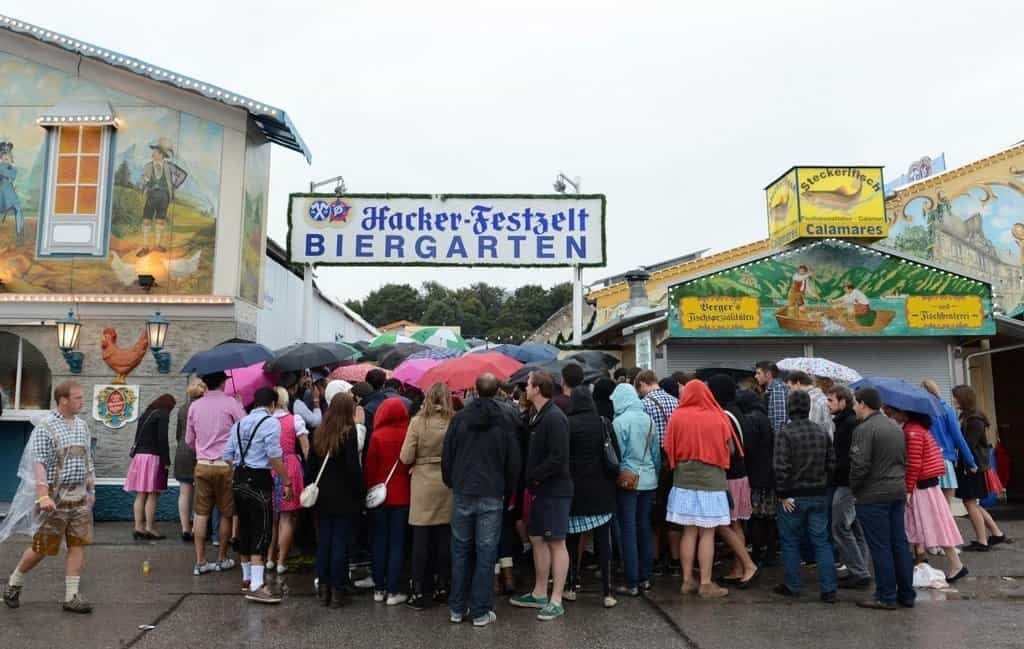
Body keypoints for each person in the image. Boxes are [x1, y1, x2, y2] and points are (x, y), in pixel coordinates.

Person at [2, 381, 96, 613]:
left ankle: (71, 596)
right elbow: (39, 463)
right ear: (63, 400)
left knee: (77, 543)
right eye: (77, 398)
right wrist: (43, 496)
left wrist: (91, 489)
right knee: (42, 547)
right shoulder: (46, 427)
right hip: (54, 498)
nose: (82, 402)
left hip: (79, 497)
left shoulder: (82, 425)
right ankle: (15, 582)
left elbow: (87, 459)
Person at [442, 373, 522, 627]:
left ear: (475, 389)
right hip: (492, 490)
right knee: (486, 552)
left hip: (464, 488)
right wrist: (509, 489)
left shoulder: (459, 418)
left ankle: (456, 607)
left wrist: (451, 480)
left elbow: (448, 453)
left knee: (460, 550)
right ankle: (480, 610)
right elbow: (513, 459)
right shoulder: (506, 419)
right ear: (498, 390)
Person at [662, 381, 736, 599]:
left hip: (683, 480)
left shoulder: (677, 416)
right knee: (708, 532)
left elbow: (668, 446)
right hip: (711, 482)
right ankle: (705, 583)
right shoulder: (718, 416)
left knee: (689, 531)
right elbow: (729, 448)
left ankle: (687, 580)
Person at [511, 371, 573, 622]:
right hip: (540, 489)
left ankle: (556, 599)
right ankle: (539, 592)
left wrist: (534, 476)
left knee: (556, 542)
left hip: (554, 490)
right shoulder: (539, 415)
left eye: (528, 385)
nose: (525, 388)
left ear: (537, 389)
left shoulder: (554, 417)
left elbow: (558, 458)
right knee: (537, 538)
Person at [222, 387, 290, 603]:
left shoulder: (239, 423)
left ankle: (246, 578)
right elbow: (274, 457)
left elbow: (227, 455)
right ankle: (258, 585)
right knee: (262, 530)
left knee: (245, 527)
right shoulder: (271, 423)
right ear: (272, 404)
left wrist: (240, 468)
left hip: (239, 479)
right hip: (259, 480)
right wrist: (286, 481)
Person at [849, 387, 915, 610]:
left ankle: (885, 595)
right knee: (899, 544)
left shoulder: (864, 429)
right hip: (896, 491)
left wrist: (854, 490)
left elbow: (860, 466)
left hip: (873, 494)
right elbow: (904, 459)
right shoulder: (894, 427)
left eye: (855, 403)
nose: (853, 407)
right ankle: (906, 594)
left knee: (880, 547)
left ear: (863, 404)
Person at [884, 406, 967, 581]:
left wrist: (907, 489)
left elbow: (914, 463)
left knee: (930, 525)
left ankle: (955, 564)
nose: (890, 413)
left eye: (894, 411)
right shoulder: (917, 428)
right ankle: (925, 563)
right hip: (926, 485)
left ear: (906, 412)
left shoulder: (912, 431)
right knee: (922, 525)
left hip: (921, 487)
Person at [772, 391, 837, 603]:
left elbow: (780, 466)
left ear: (789, 407)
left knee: (790, 542)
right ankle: (829, 589)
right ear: (808, 407)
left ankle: (793, 586)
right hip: (818, 493)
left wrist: (782, 493)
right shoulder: (821, 432)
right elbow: (831, 463)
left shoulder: (785, 432)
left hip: (793, 496)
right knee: (822, 542)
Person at [563, 367, 618, 608]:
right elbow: (614, 453)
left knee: (572, 541)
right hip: (602, 489)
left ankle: (571, 585)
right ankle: (606, 592)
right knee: (603, 540)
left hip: (575, 490)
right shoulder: (603, 422)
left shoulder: (566, 423)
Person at [400, 382, 455, 610]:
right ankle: (443, 586)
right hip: (446, 483)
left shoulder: (417, 422)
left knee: (421, 540)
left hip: (422, 482)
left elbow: (405, 457)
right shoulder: (453, 421)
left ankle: (418, 591)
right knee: (444, 538)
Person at [307, 392, 364, 608]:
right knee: (340, 543)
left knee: (324, 543)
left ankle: (323, 588)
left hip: (322, 496)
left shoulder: (319, 432)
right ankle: (337, 590)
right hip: (344, 496)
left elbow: (310, 467)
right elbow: (352, 468)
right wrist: (360, 492)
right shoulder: (348, 434)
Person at [185, 371, 246, 576]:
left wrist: (202, 449)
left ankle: (200, 561)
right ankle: (221, 558)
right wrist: (240, 404)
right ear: (222, 382)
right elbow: (245, 427)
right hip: (225, 465)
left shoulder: (195, 405)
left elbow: (188, 440)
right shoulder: (231, 403)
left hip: (202, 465)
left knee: (201, 513)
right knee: (227, 512)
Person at [706, 375, 758, 585]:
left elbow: (727, 449)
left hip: (729, 477)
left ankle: (747, 565)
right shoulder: (737, 411)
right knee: (735, 523)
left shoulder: (724, 415)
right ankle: (739, 568)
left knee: (722, 523)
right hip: (741, 475)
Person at [608, 382, 657, 596]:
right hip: (649, 479)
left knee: (627, 529)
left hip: (628, 480)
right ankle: (646, 575)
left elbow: (616, 455)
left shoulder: (619, 422)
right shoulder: (648, 420)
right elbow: (655, 453)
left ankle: (631, 580)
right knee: (644, 526)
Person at [364, 398, 412, 605]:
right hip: (403, 496)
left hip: (380, 497)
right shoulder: (408, 434)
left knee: (379, 542)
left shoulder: (377, 436)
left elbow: (369, 469)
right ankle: (393, 591)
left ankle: (378, 587)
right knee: (397, 544)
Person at [951, 385, 1011, 551]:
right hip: (972, 466)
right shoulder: (967, 416)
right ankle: (997, 534)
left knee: (970, 503)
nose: (953, 400)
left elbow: (967, 445)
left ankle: (982, 541)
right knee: (973, 503)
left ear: (964, 398)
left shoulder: (974, 420)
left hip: (973, 467)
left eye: (955, 397)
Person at [635, 370, 681, 578]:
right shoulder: (676, 401)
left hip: (656, 464)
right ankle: (674, 559)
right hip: (676, 463)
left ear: (644, 384)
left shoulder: (645, 404)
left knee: (654, 514)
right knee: (672, 513)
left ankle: (653, 557)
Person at [826, 385, 871, 589]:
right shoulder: (845, 422)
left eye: (831, 400)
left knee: (840, 526)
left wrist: (833, 469)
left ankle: (859, 572)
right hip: (849, 482)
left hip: (847, 483)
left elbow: (850, 457)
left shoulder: (849, 424)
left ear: (843, 402)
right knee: (855, 527)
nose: (828, 404)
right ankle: (860, 569)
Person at [265, 387, 309, 576]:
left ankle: (268, 558)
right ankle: (282, 561)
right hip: (290, 466)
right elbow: (306, 449)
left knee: (271, 517)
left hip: (268, 467)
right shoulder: (295, 420)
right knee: (286, 517)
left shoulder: (265, 422)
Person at [125, 394, 176, 541]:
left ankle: (138, 527)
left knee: (141, 494)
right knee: (153, 494)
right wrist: (166, 460)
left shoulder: (146, 414)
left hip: (140, 457)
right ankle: (150, 528)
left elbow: (137, 437)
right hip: (153, 457)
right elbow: (162, 439)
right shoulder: (163, 415)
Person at [736, 389, 777, 567]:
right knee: (768, 516)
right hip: (769, 473)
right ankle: (770, 552)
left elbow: (749, 448)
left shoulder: (751, 418)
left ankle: (759, 552)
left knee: (757, 516)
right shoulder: (763, 416)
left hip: (756, 474)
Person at [920, 380, 976, 506]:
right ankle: (946, 526)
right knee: (946, 503)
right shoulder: (945, 409)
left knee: (931, 504)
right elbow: (958, 438)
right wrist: (971, 461)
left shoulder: (920, 412)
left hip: (926, 461)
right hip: (944, 460)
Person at [174, 379, 206, 543]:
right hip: (199, 452)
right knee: (200, 493)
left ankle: (185, 529)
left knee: (184, 493)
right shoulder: (204, 408)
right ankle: (196, 529)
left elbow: (178, 434)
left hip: (182, 453)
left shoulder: (182, 409)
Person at [785, 371, 834, 437]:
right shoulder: (821, 397)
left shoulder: (812, 400)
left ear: (798, 383)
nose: (789, 392)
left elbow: (807, 431)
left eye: (789, 387)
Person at [754, 361, 788, 434]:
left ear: (768, 374)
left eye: (759, 373)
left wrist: (778, 441)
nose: (755, 376)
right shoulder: (771, 388)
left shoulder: (777, 388)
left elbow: (779, 419)